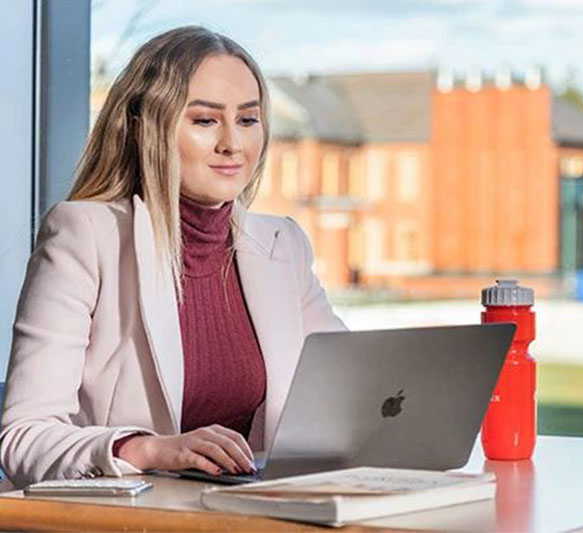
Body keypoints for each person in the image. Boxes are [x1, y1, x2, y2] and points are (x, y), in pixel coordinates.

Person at [0, 26, 346, 488]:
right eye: (205, 121)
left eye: (247, 119)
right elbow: (24, 437)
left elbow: (349, 393)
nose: (233, 144)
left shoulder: (283, 245)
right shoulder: (85, 234)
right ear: (149, 127)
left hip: (252, 511)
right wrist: (148, 448)